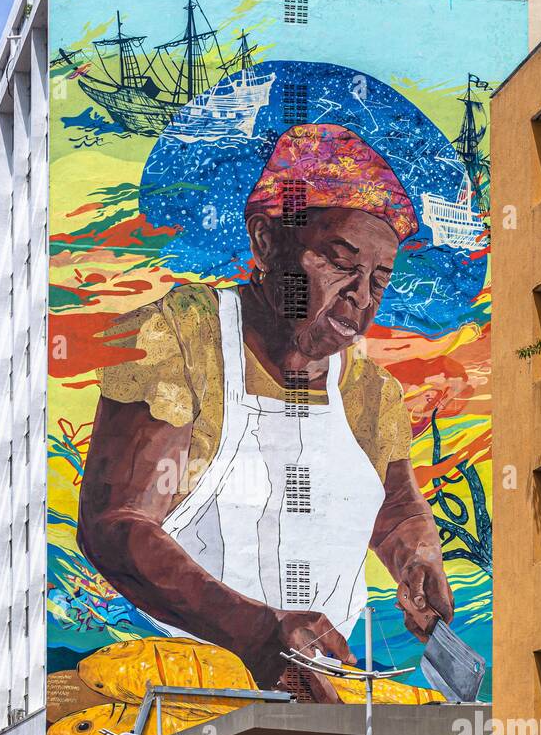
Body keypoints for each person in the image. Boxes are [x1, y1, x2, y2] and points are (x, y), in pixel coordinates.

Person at [79, 123, 453, 702]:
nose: (361, 295)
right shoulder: (179, 335)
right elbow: (115, 525)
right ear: (265, 241)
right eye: (339, 262)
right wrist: (258, 634)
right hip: (181, 688)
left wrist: (417, 556)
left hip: (326, 680)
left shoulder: (371, 390)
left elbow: (396, 505)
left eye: (379, 280)